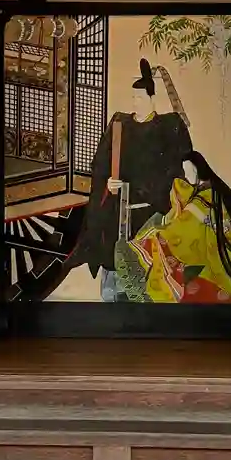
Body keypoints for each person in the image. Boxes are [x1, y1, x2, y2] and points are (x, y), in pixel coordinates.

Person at [65, 58, 192, 299]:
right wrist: (107, 183)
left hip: (151, 208)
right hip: (119, 207)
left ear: (152, 99)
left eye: (141, 98)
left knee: (146, 260)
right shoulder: (120, 124)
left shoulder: (166, 127)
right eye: (133, 98)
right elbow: (100, 163)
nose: (136, 103)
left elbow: (177, 166)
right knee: (114, 256)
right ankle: (112, 298)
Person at [114, 150, 231, 305]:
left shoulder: (204, 196)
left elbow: (183, 230)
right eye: (185, 171)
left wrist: (158, 235)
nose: (187, 175)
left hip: (222, 246)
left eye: (189, 171)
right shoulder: (208, 191)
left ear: (198, 169)